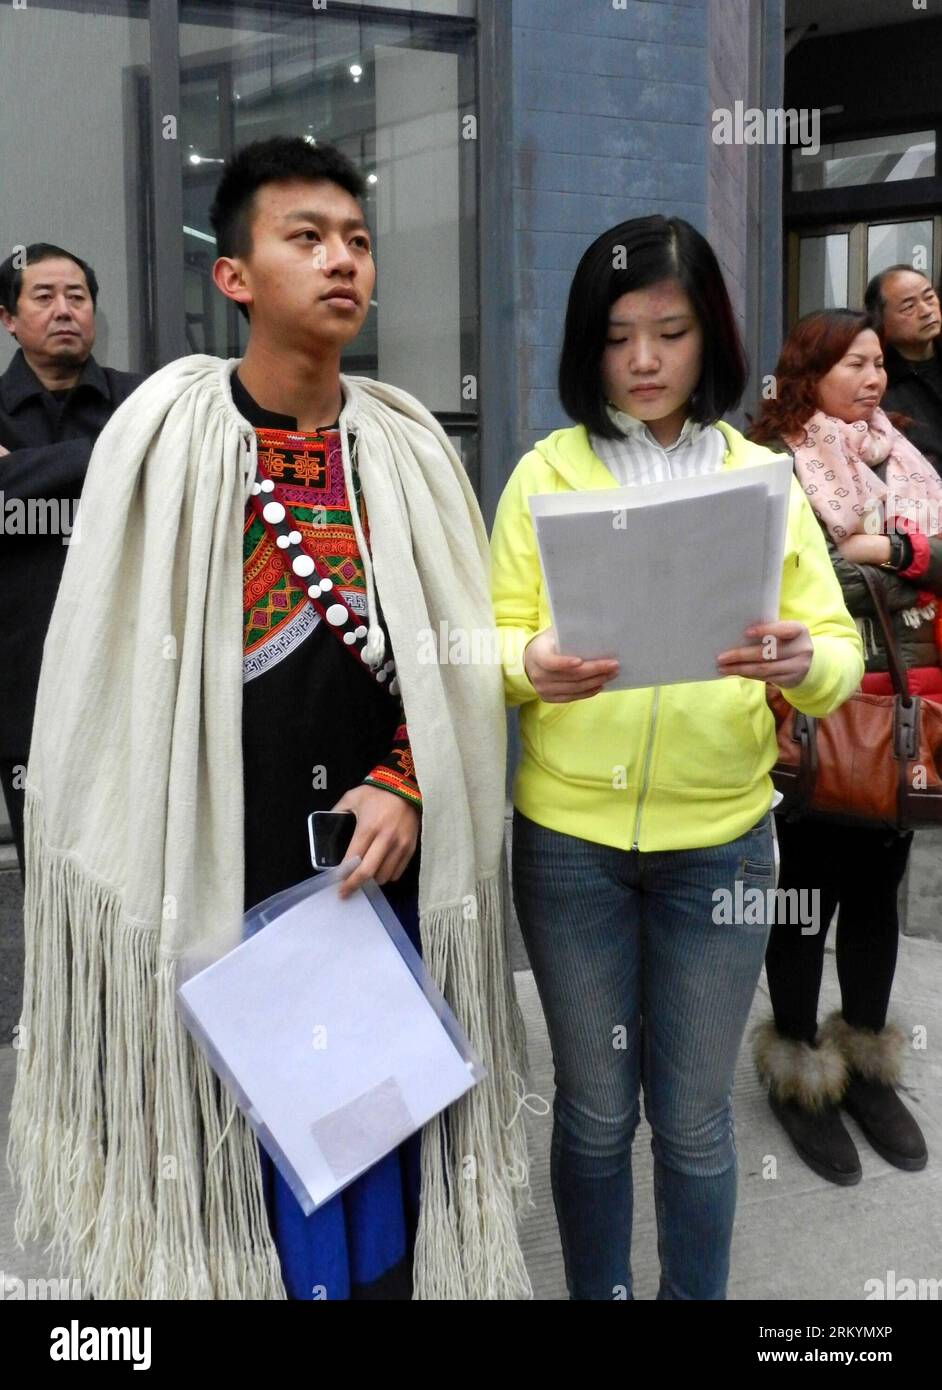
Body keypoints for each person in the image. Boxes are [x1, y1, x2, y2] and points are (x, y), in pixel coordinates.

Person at [9, 137, 530, 1301]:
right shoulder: (166, 438)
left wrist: (408, 781)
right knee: (237, 1159)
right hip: (214, 860)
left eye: (356, 239)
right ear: (234, 276)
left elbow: (454, 677)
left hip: (376, 863)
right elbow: (105, 672)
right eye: (306, 238)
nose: (341, 260)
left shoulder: (409, 450)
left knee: (377, 1138)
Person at [489, 215, 863, 1300]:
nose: (644, 360)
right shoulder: (543, 475)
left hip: (721, 850)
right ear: (586, 345)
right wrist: (528, 660)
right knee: (598, 1112)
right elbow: (485, 637)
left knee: (695, 1121)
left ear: (711, 339)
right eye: (617, 336)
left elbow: (835, 651)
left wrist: (802, 662)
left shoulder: (762, 478)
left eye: (671, 330)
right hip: (570, 847)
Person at [749, 308, 932, 1184]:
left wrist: (892, 549)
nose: (873, 379)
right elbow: (800, 585)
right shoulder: (777, 465)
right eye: (854, 364)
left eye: (879, 364)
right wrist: (897, 566)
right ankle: (797, 1070)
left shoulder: (902, 453)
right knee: (802, 894)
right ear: (808, 371)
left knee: (876, 893)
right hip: (816, 720)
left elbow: (917, 563)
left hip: (901, 717)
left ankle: (861, 1062)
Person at [0, 245, 142, 875]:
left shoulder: (143, 400)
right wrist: (115, 455)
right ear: (8, 318)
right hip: (22, 674)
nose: (64, 310)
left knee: (138, 869)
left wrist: (24, 474)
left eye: (77, 297)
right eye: (44, 296)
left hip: (132, 665)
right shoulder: (137, 422)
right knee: (48, 869)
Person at [864, 264, 942, 470]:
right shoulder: (876, 386)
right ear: (881, 321)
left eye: (929, 297)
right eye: (909, 307)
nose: (926, 311)